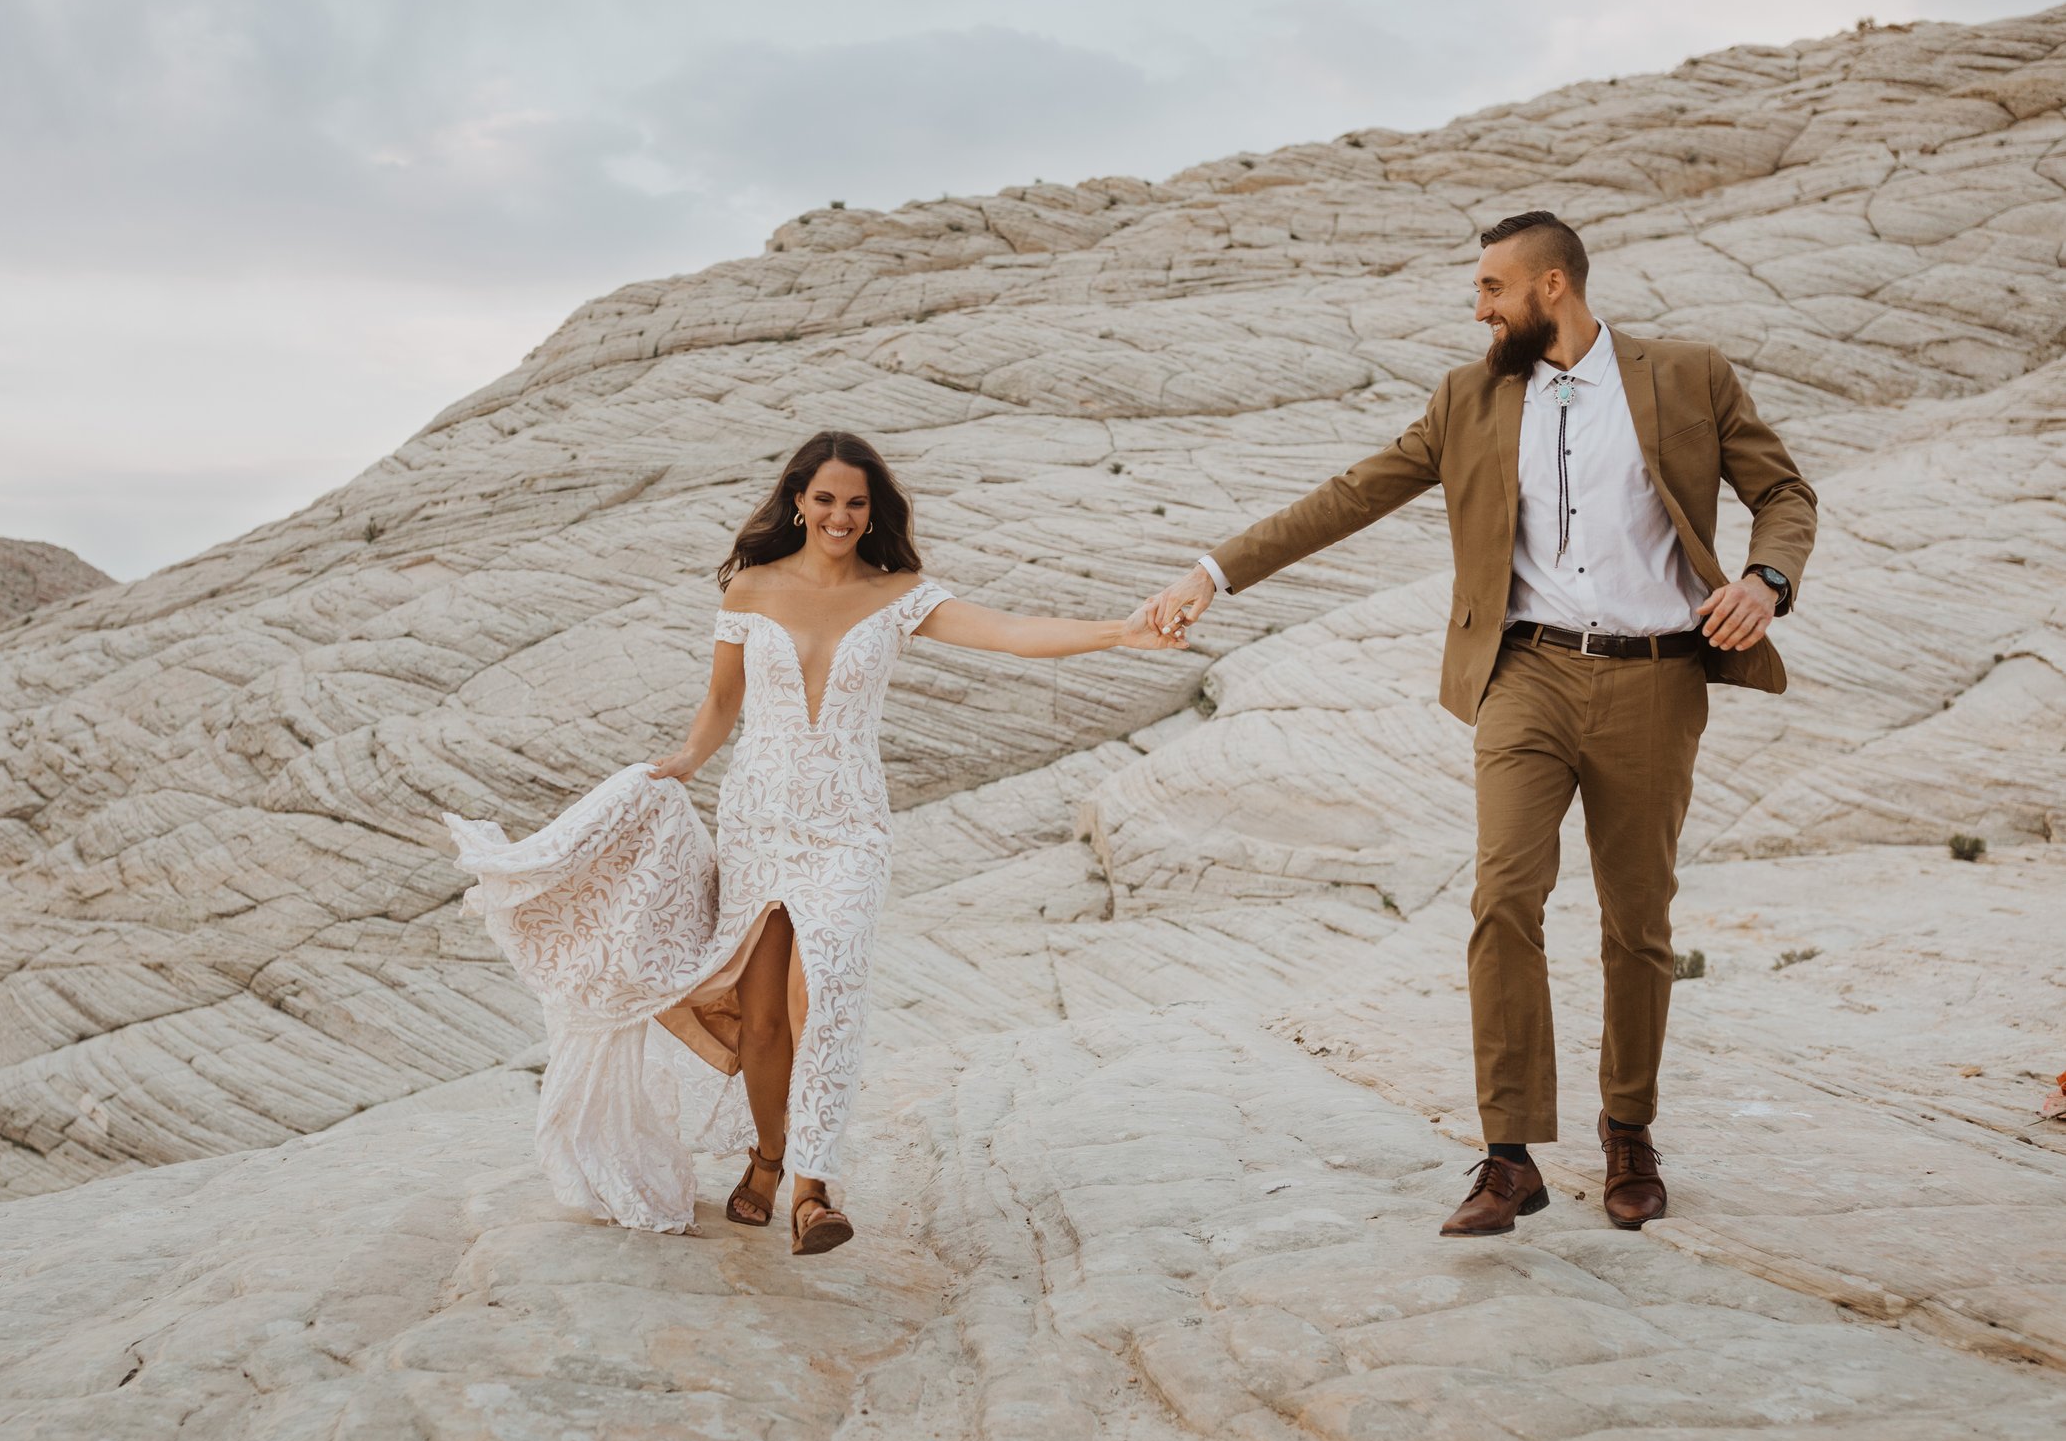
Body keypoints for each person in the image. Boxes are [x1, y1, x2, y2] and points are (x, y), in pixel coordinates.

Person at [1141, 210, 1818, 1237]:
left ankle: (1627, 1129)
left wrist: (1765, 578)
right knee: (1504, 892)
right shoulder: (1468, 395)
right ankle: (1509, 1156)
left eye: (1491, 289)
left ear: (1552, 286)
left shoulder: (1687, 374)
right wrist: (1210, 572)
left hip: (1654, 678)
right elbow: (1349, 495)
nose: (1478, 308)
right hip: (1525, 672)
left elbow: (1780, 490)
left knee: (1636, 921)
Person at [448, 430, 1173, 1253]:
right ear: (798, 500)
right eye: (825, 498)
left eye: (856, 502)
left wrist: (1123, 631)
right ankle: (766, 1155)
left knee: (826, 986)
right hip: (759, 818)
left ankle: (813, 1190)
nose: (840, 515)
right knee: (761, 1019)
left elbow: (1009, 632)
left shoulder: (900, 592)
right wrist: (683, 761)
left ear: (873, 513)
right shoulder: (751, 589)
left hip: (850, 827)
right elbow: (722, 701)